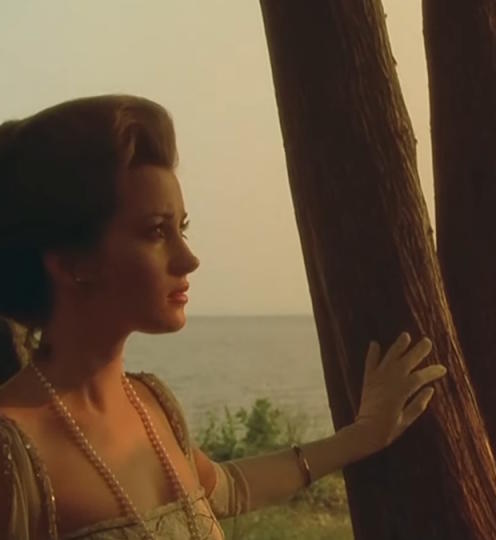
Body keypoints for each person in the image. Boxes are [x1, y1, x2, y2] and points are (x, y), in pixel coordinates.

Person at [0, 95, 448, 539]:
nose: (188, 258)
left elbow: (225, 489)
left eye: (183, 228)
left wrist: (364, 434)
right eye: (156, 231)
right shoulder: (12, 450)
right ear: (72, 262)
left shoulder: (152, 403)